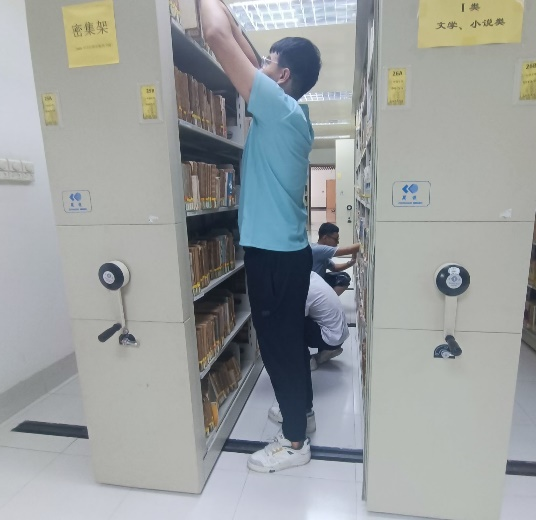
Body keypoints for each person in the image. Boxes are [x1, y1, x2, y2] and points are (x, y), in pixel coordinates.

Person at [200, 0, 321, 473]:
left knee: (278, 346)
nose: (259, 66)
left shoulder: (276, 107)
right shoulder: (292, 112)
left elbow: (215, 36)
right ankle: (302, 414)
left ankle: (293, 442)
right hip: (286, 252)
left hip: (272, 255)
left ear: (283, 76)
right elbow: (245, 52)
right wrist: (232, 17)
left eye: (269, 63)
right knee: (288, 339)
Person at [268, 271, 350, 430]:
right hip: (340, 334)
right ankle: (321, 355)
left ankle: (307, 362)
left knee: (289, 326)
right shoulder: (311, 275)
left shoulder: (302, 288)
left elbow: (294, 318)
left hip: (330, 337)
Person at [311, 223, 361, 296]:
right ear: (325, 238)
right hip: (312, 285)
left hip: (317, 280)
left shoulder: (319, 249)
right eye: (335, 239)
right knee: (342, 279)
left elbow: (334, 268)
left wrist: (350, 263)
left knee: (344, 277)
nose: (337, 242)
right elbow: (349, 250)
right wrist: (365, 242)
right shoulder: (318, 249)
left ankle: (327, 298)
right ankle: (326, 301)